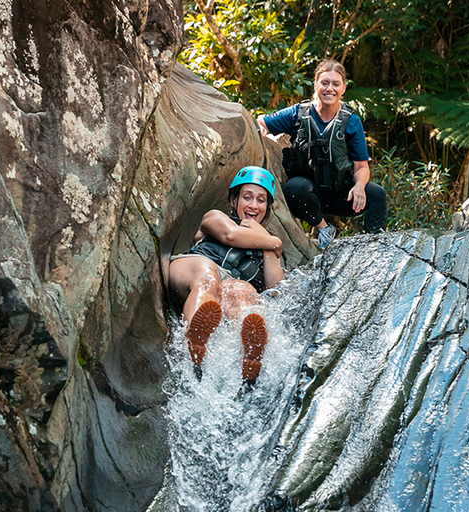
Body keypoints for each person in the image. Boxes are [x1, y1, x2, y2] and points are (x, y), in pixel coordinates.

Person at [163, 166, 284, 395]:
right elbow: (231, 235)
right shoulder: (215, 217)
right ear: (233, 199)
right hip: (193, 269)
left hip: (226, 288)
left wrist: (267, 241)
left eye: (261, 200)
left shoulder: (269, 245)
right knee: (208, 276)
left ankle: (248, 361)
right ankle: (193, 343)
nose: (253, 206)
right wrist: (275, 242)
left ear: (267, 207)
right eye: (247, 197)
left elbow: (277, 290)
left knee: (241, 291)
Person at [258, 58, 387, 249]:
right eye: (325, 83)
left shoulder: (351, 121)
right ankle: (325, 230)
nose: (330, 89)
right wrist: (260, 129)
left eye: (335, 84)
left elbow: (362, 166)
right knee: (293, 189)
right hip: (309, 195)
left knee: (377, 194)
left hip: (343, 194)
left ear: (343, 88)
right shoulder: (298, 113)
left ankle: (376, 249)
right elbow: (262, 122)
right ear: (315, 85)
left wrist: (359, 185)